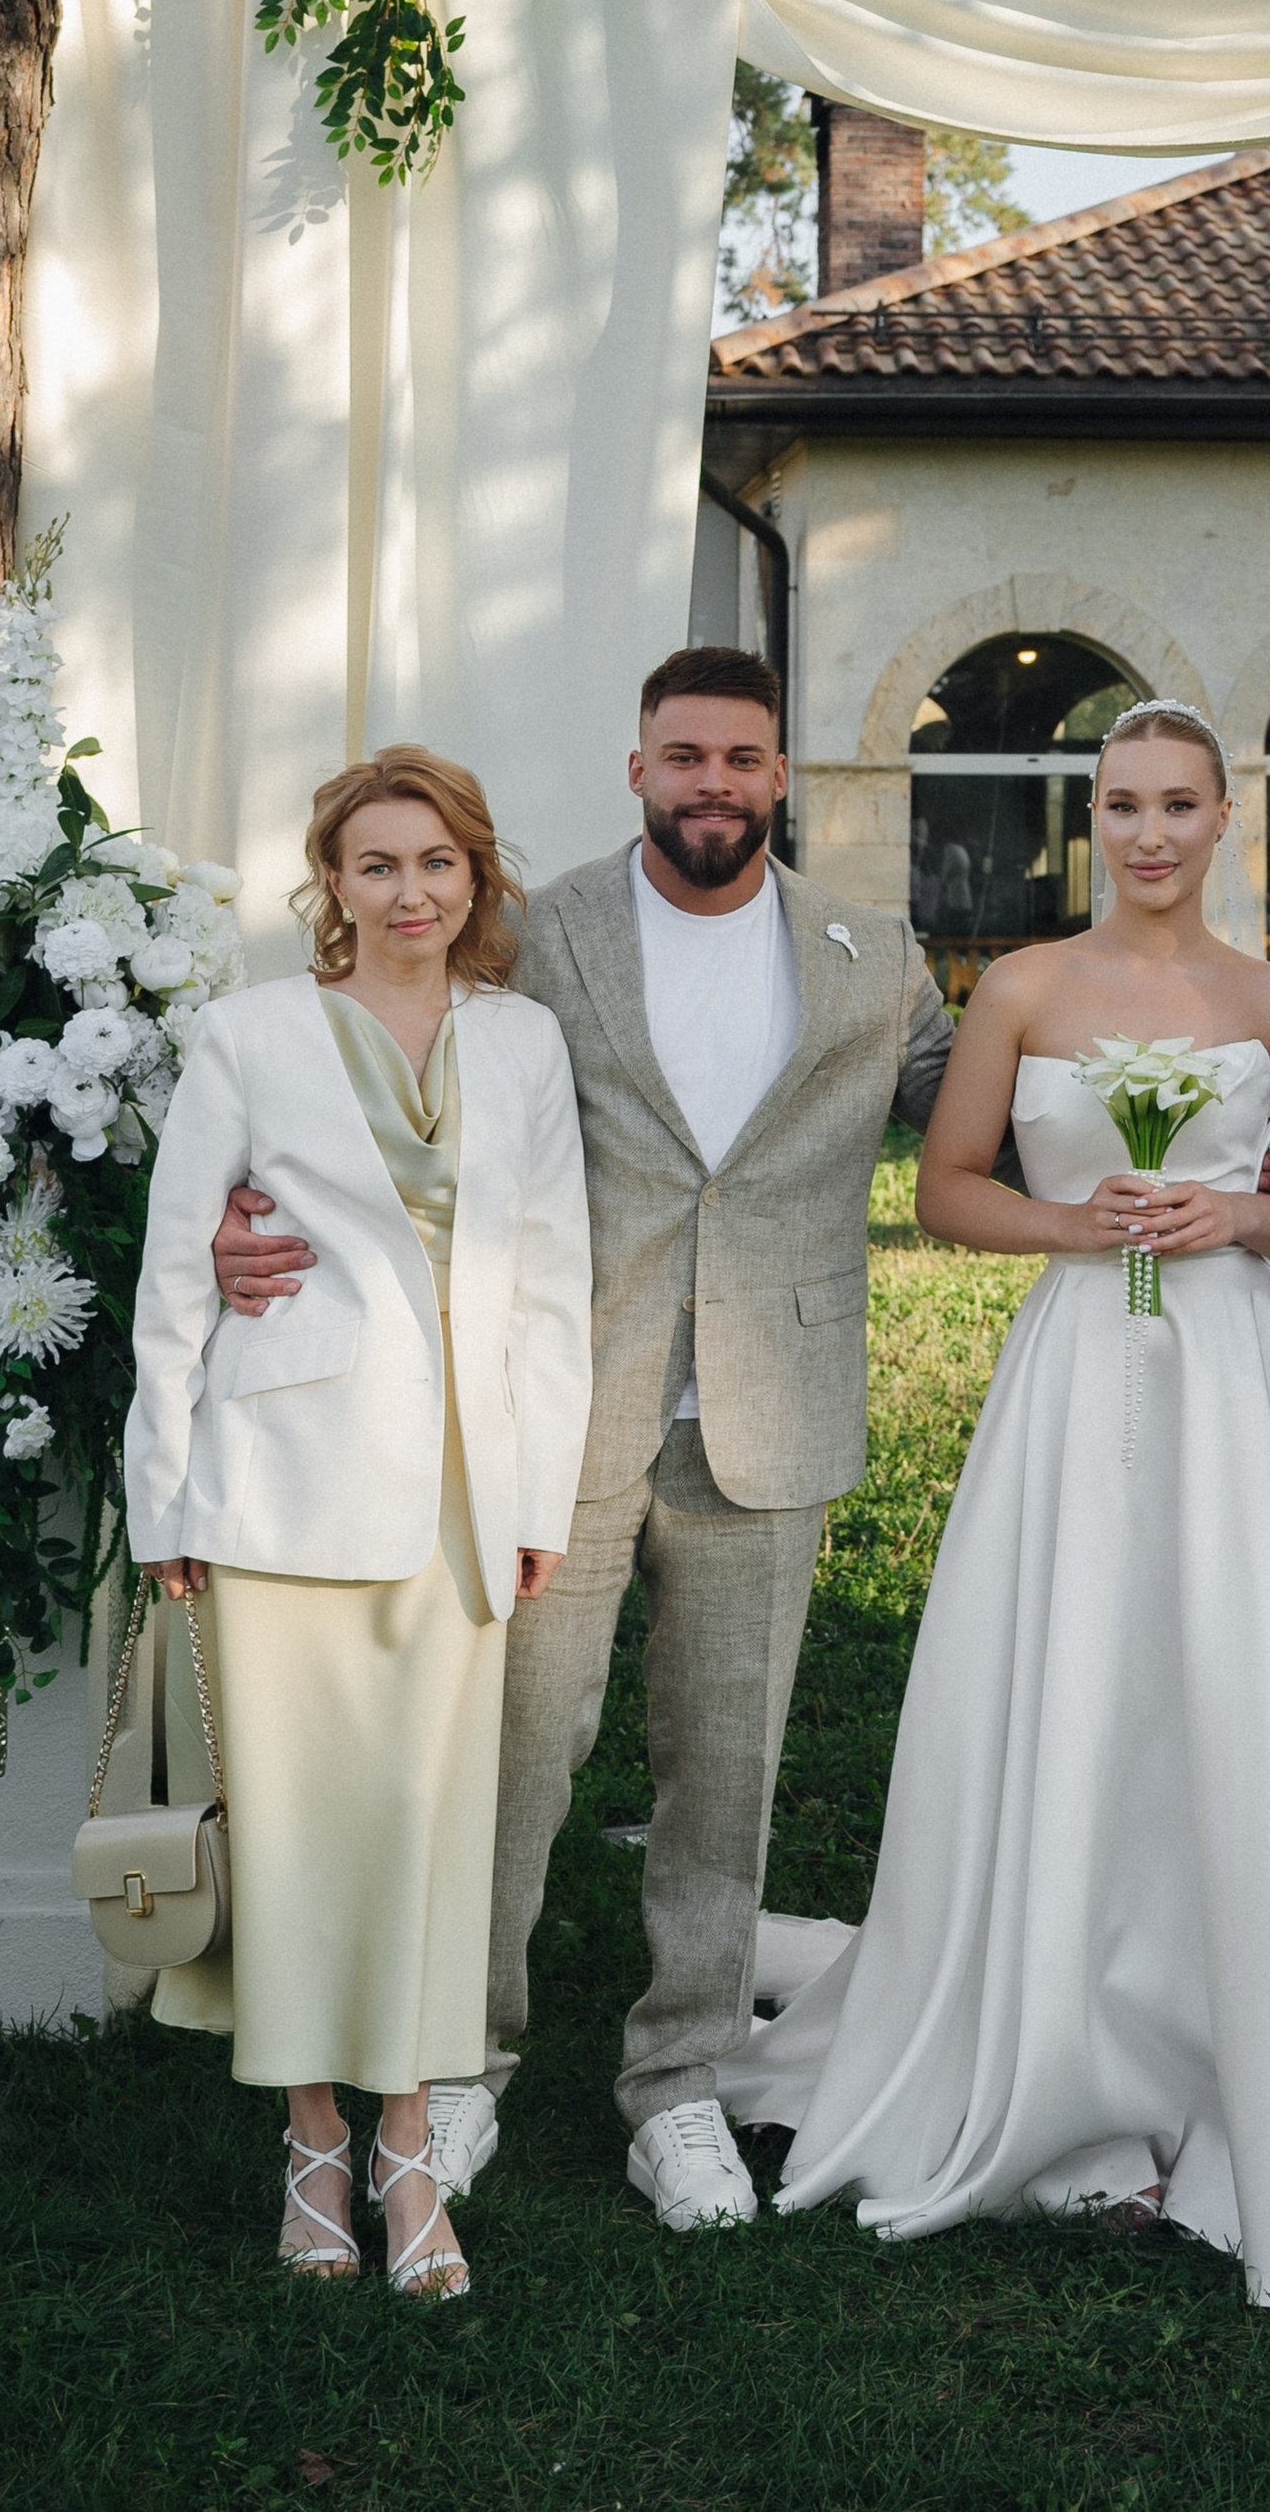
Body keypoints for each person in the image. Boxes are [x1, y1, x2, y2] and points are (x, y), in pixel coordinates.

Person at [716, 699, 1270, 2309]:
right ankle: (1043, 2028)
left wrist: (1228, 1213)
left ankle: (1254, 2025)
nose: (1149, 835)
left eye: (1176, 807)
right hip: (1078, 1371)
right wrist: (1081, 1233)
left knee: (1238, 1675)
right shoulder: (1018, 986)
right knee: (1075, 1664)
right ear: (1095, 819)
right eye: (1123, 806)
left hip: (1237, 1376)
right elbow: (945, 1189)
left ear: (1225, 817)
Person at [211, 646, 955, 2235]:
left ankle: (678, 2085)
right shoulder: (536, 944)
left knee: (725, 1775)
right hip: (553, 1418)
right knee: (515, 1757)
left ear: (779, 775)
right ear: (637, 771)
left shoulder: (869, 956)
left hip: (773, 1415)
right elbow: (393, 1104)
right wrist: (233, 1220)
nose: (712, 785)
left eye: (741, 759)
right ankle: (460, 2062)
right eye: (683, 757)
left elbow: (983, 1110)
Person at [125, 749, 592, 2299]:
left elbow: (549, 1281)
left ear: (479, 877)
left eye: (438, 863)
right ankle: (315, 2148)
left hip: (464, 1498)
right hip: (275, 1485)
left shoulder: (523, 1044)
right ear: (331, 881)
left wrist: (534, 1495)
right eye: (377, 864)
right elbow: (180, 1273)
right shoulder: (249, 1035)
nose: (410, 892)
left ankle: (413, 2147)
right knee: (301, 1835)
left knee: (422, 1832)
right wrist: (162, 1494)